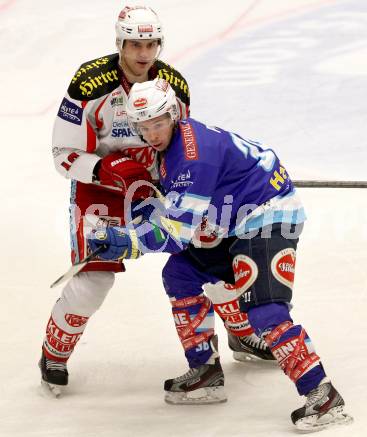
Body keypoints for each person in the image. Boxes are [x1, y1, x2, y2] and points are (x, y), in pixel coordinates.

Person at [88, 78, 353, 431]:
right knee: (181, 275)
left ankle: (323, 397)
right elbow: (177, 215)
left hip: (269, 215)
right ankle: (205, 372)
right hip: (233, 220)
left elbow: (177, 234)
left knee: (265, 309)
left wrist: (126, 241)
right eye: (144, 126)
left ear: (172, 115)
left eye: (157, 123)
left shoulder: (193, 159)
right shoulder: (173, 146)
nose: (151, 133)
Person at [40, 4, 272, 397]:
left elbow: (185, 145)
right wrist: (106, 168)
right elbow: (62, 153)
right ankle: (54, 353)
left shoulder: (174, 85)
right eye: (134, 43)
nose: (143, 53)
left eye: (150, 43)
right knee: (94, 280)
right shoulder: (88, 84)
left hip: (156, 187)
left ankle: (240, 333)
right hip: (101, 193)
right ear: (119, 43)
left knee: (208, 255)